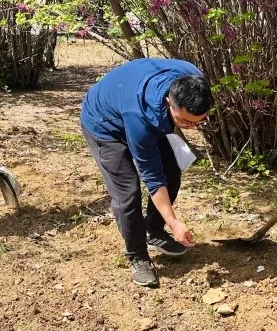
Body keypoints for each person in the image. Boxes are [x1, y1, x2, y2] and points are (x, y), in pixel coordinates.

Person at [80, 59, 214, 288]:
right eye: (184, 121)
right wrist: (174, 221)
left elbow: (163, 173)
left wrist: (184, 121)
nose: (191, 127)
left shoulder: (193, 79)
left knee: (171, 172)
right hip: (105, 124)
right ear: (168, 102)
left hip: (131, 104)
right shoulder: (140, 117)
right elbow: (152, 178)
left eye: (198, 122)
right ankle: (138, 256)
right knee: (128, 192)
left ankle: (153, 230)